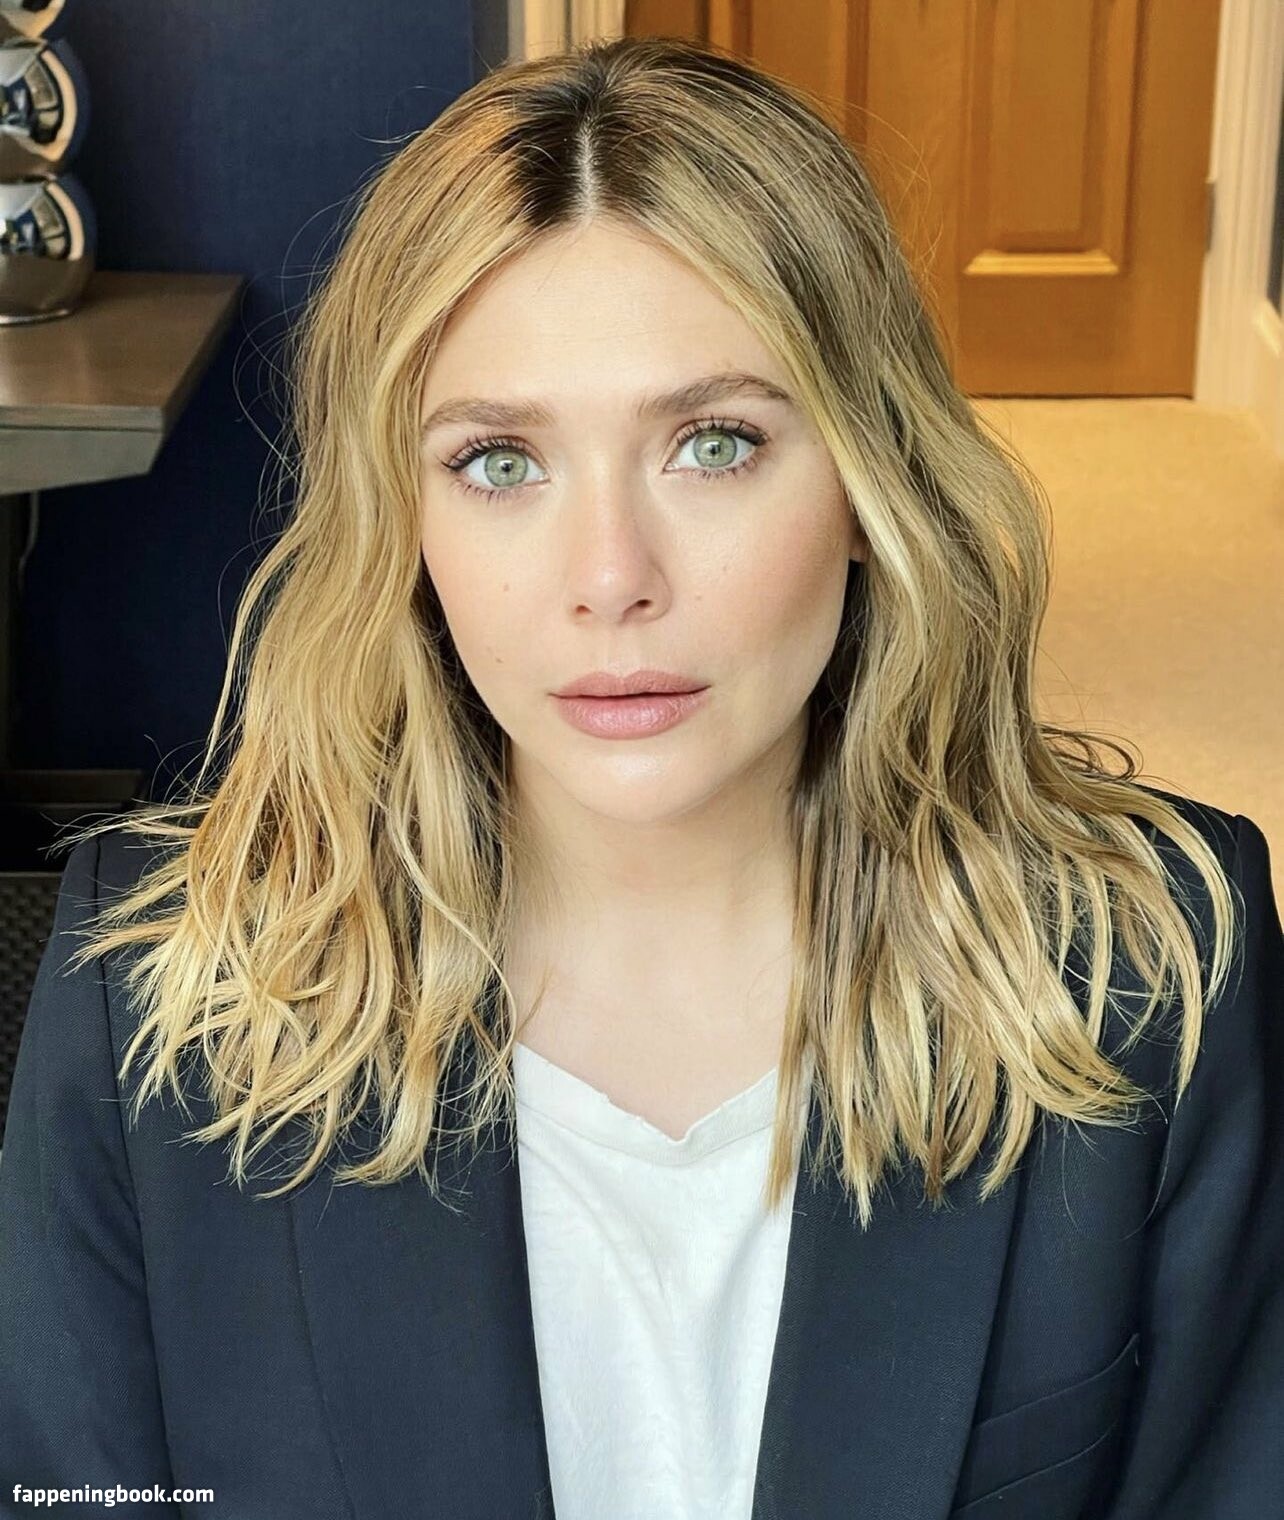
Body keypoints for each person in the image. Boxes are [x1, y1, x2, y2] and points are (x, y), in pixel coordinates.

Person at [1, 32, 1280, 1520]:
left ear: (869, 481)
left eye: (713, 444)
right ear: (399, 517)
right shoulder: (153, 995)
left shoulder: (1154, 975)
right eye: (499, 462)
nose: (611, 577)